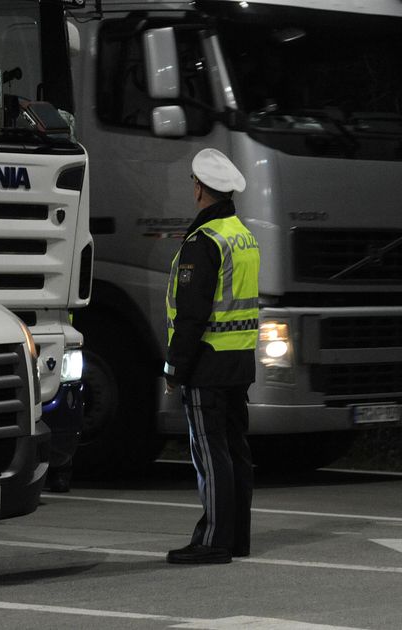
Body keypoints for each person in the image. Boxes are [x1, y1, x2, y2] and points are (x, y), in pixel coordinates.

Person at [162, 148, 259, 565]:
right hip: (239, 362)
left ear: (201, 189)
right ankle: (237, 538)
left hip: (207, 362)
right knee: (235, 450)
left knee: (209, 451)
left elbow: (192, 314)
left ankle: (214, 540)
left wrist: (174, 367)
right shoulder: (242, 234)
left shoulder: (204, 242)